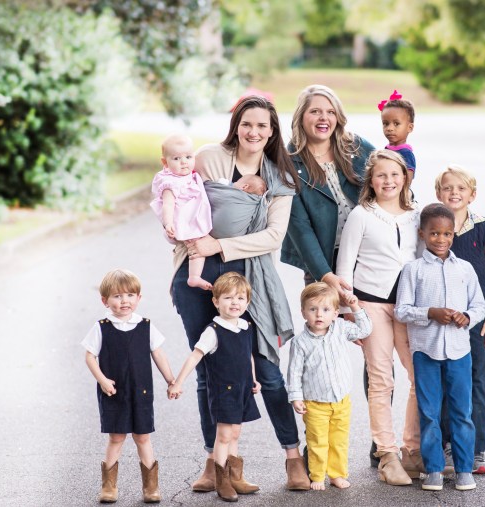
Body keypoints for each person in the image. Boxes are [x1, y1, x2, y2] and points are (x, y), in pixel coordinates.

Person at [169, 95, 311, 492]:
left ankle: (292, 456)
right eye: (247, 124)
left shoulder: (280, 174)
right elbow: (180, 199)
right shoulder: (210, 158)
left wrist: (222, 246)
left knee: (266, 370)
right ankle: (217, 463)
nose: (254, 132)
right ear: (237, 125)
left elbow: (273, 236)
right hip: (197, 271)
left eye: (262, 126)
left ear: (272, 131)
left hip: (250, 276)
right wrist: (177, 232)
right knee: (208, 371)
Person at [279, 84, 381, 466]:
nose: (323, 118)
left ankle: (380, 441)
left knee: (374, 351)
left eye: (329, 111)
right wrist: (324, 275)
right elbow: (299, 225)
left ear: (338, 116)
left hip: (366, 264)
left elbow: (392, 179)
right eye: (314, 112)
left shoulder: (357, 149)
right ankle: (314, 451)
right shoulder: (289, 162)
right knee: (321, 355)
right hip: (322, 266)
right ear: (301, 118)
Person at [334, 149, 422, 485]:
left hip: (408, 307)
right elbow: (345, 265)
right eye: (381, 175)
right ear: (371, 180)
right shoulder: (362, 214)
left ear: (405, 178)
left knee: (419, 376)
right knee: (381, 379)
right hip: (370, 305)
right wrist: (347, 312)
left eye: (394, 175)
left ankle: (411, 448)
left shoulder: (415, 215)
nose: (388, 181)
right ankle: (387, 454)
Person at [394, 204, 485, 492]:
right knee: (430, 411)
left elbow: (479, 305)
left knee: (462, 411)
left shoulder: (465, 269)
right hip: (426, 352)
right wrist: (429, 313)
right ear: (422, 234)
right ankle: (433, 469)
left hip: (459, 351)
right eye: (434, 233)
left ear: (453, 234)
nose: (441, 239)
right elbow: (402, 310)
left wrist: (467, 317)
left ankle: (463, 469)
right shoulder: (413, 270)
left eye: (446, 233)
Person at [81, 269, 175, 503]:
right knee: (116, 437)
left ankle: (151, 487)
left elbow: (158, 354)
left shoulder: (146, 325)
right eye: (117, 296)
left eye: (130, 295)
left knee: (143, 437)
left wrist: (170, 379)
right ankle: (109, 487)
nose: (125, 301)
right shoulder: (101, 327)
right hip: (114, 392)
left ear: (138, 298)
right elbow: (90, 357)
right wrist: (102, 380)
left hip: (141, 392)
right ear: (105, 300)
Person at [170, 272, 262, 502]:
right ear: (216, 301)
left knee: (236, 433)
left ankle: (235, 476)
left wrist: (253, 379)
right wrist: (178, 382)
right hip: (224, 391)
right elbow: (195, 356)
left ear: (247, 302)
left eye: (240, 298)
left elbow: (248, 356)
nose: (235, 303)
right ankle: (222, 481)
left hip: (242, 390)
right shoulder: (214, 331)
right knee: (223, 435)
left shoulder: (245, 326)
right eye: (229, 298)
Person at [435, 165, 485, 475]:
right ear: (438, 193)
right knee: (447, 380)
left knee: (476, 380)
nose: (454, 193)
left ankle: (476, 451)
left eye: (461, 189)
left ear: (472, 195)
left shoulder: (482, 227)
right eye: (448, 188)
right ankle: (449, 447)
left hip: (476, 319)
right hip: (443, 319)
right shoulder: (434, 227)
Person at [287, 283, 373, 490]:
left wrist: (355, 308)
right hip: (315, 403)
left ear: (335, 313)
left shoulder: (341, 329)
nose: (319, 315)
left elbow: (365, 329)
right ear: (303, 312)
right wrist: (296, 397)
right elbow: (295, 372)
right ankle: (317, 475)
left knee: (339, 441)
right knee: (317, 441)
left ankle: (336, 474)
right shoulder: (300, 342)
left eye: (325, 310)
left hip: (341, 401)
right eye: (313, 309)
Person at [150, 135, 213, 290]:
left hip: (192, 216)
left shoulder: (189, 175)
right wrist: (168, 223)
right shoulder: (170, 182)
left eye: (188, 157)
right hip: (184, 220)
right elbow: (168, 205)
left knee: (198, 245)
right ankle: (194, 277)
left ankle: (194, 276)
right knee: (197, 247)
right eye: (177, 158)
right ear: (165, 162)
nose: (184, 162)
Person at [377, 90, 416, 178]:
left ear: (410, 127)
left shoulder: (406, 154)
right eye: (385, 123)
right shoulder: (386, 150)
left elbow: (407, 181)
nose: (389, 128)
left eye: (396, 124)